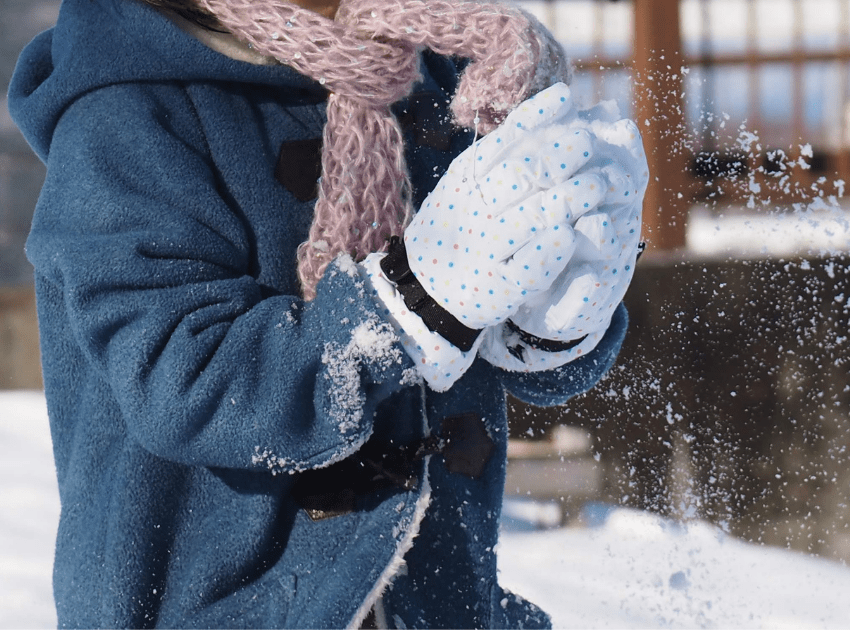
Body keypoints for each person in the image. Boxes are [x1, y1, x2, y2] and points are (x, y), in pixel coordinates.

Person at [8, 0, 646, 627]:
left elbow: (488, 343)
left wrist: (553, 316)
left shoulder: (436, 71)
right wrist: (405, 307)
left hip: (435, 603)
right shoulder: (127, 107)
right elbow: (179, 377)